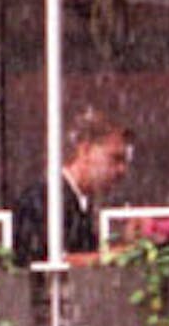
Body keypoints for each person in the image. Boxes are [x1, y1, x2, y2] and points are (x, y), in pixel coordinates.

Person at [11, 108, 132, 266]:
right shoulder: (44, 198)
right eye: (115, 158)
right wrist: (112, 256)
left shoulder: (79, 202)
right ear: (85, 151)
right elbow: (42, 263)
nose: (122, 170)